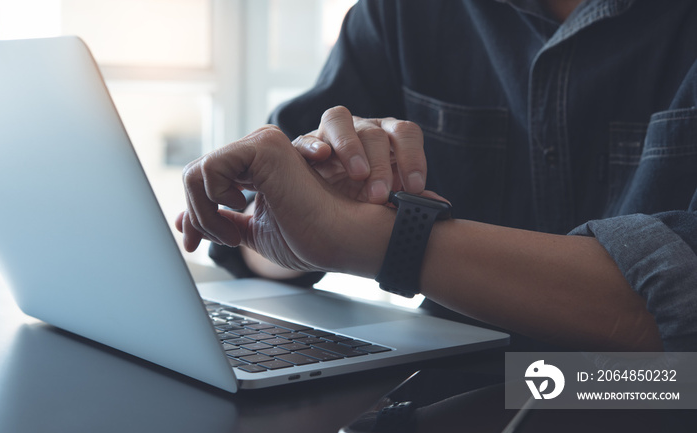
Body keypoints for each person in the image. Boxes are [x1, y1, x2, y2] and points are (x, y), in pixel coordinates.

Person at [177, 0, 697, 351]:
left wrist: (379, 240)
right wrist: (293, 223)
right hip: (451, 394)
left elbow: (680, 299)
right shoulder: (400, 13)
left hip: (659, 395)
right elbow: (251, 231)